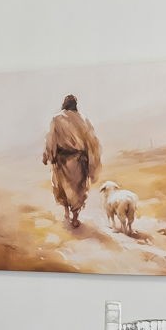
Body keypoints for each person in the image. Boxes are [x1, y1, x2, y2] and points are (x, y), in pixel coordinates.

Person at [42, 94, 102, 229]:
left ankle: (66, 212)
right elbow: (92, 142)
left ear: (64, 104)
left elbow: (50, 140)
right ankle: (75, 217)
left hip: (62, 161)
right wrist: (92, 162)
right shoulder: (84, 120)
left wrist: (48, 155)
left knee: (62, 188)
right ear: (75, 105)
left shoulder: (56, 119)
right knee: (78, 190)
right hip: (79, 161)